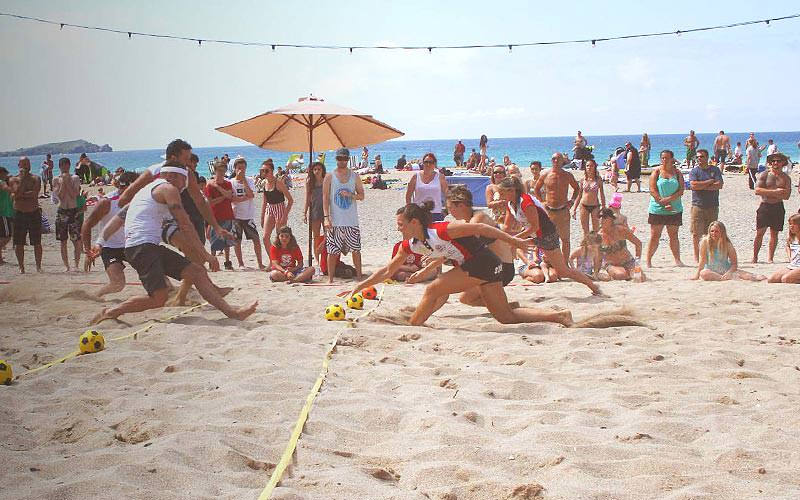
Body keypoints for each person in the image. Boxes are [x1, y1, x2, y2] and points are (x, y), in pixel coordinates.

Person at [348, 202, 572, 326]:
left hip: (483, 262)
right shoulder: (412, 244)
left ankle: (414, 324)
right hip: (486, 267)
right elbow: (388, 270)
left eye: (400, 224)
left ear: (414, 222)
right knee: (506, 318)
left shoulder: (441, 230)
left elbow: (481, 228)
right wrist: (360, 286)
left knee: (433, 288)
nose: (398, 229)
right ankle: (559, 315)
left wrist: (514, 241)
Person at [91, 166, 258, 324]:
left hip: (149, 246)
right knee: (158, 298)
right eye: (183, 181)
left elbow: (117, 220)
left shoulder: (150, 193)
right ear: (172, 177)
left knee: (197, 272)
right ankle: (111, 312)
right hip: (141, 248)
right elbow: (185, 225)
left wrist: (99, 242)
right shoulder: (162, 190)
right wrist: (206, 255)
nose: (184, 186)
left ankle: (233, 313)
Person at [502, 176, 601, 295]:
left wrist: (514, 239)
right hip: (535, 235)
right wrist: (504, 237)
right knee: (507, 244)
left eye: (502, 192)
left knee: (563, 271)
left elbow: (535, 227)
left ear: (512, 191)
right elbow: (507, 227)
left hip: (546, 235)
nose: (500, 195)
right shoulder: (510, 203)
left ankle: (593, 286)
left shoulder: (525, 201)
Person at [443, 185, 518, 306]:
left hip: (502, 268)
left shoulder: (479, 218)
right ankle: (507, 306)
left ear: (461, 206)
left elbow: (467, 241)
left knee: (461, 295)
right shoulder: (467, 221)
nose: (449, 212)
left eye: (450, 208)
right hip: (491, 267)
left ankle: (506, 307)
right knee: (465, 297)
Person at [81, 171, 139, 296]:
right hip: (110, 248)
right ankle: (95, 296)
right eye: (137, 186)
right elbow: (87, 224)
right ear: (125, 187)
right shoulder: (107, 202)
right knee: (117, 284)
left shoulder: (140, 200)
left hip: (132, 245)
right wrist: (88, 251)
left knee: (154, 272)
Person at [323, 147, 365, 283]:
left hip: (351, 220)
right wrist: (326, 218)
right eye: (339, 158)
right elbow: (325, 198)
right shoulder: (329, 176)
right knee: (332, 251)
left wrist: (350, 195)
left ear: (348, 159)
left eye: (345, 159)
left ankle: (359, 277)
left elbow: (362, 195)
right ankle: (330, 280)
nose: (342, 161)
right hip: (335, 221)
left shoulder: (354, 176)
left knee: (356, 250)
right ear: (336, 159)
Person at [534, 152, 579, 259]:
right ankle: (549, 262)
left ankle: (565, 263)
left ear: (562, 161)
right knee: (546, 238)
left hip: (563, 211)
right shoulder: (545, 174)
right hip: (549, 211)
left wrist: (572, 201)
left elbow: (577, 188)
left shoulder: (567, 175)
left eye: (558, 159)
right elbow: (536, 189)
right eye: (553, 159)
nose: (556, 161)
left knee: (565, 240)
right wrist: (542, 202)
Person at [646, 150, 685, 267]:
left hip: (674, 208)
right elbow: (652, 190)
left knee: (673, 235)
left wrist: (669, 200)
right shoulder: (656, 172)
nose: (664, 160)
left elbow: (681, 190)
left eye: (667, 158)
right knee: (655, 236)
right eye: (662, 158)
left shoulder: (677, 173)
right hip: (657, 209)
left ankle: (677, 260)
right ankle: (648, 260)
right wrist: (663, 202)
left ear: (672, 159)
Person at [692, 221, 765, 282]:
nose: (714, 233)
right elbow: (703, 260)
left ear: (722, 232)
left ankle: (725, 277)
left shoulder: (727, 244)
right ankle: (723, 278)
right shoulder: (705, 242)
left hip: (725, 269)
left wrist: (729, 272)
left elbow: (734, 264)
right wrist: (697, 275)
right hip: (710, 270)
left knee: (751, 276)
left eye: (716, 231)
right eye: (712, 231)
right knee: (703, 273)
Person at [753, 152, 792, 263]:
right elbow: (757, 190)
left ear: (783, 163)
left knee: (774, 233)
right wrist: (776, 192)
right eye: (773, 161)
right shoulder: (764, 175)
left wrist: (768, 192)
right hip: (765, 206)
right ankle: (755, 257)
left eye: (778, 161)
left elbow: (787, 196)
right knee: (760, 233)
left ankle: (770, 258)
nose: (775, 163)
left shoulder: (786, 178)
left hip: (778, 206)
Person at [688, 149, 723, 263]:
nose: (699, 159)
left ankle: (711, 255)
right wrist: (709, 182)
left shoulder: (715, 170)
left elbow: (719, 185)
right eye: (697, 157)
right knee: (696, 233)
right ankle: (697, 257)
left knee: (712, 233)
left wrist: (701, 186)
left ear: (707, 157)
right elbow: (693, 185)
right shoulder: (694, 171)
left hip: (712, 206)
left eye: (702, 156)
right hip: (698, 205)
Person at [9, 157, 42, 273]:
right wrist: (22, 181)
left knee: (37, 242)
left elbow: (34, 194)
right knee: (19, 242)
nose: (26, 167)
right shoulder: (13, 180)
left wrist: (21, 194)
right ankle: (21, 267)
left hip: (34, 212)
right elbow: (14, 196)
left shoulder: (36, 178)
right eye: (24, 164)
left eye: (28, 164)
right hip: (19, 213)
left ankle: (38, 266)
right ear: (19, 165)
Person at [230, 158, 265, 270]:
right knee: (237, 240)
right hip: (236, 215)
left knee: (256, 239)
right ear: (235, 169)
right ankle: (241, 263)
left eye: (243, 168)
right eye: (239, 168)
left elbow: (251, 194)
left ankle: (260, 263)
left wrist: (244, 180)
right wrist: (244, 198)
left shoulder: (249, 180)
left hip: (248, 215)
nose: (241, 170)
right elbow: (232, 198)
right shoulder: (231, 182)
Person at [52, 157, 83, 272]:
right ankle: (66, 266)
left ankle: (76, 264)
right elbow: (59, 196)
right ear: (59, 167)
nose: (64, 167)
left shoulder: (75, 178)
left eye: (66, 165)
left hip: (73, 210)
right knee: (63, 240)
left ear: (69, 166)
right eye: (62, 165)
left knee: (76, 239)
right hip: (62, 211)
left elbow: (74, 194)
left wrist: (67, 181)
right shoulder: (56, 179)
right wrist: (63, 182)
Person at [205, 161, 236, 269]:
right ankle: (212, 262)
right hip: (215, 216)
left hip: (227, 214)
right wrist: (223, 197)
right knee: (214, 240)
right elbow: (210, 202)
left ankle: (227, 262)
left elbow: (230, 196)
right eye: (219, 170)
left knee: (227, 241)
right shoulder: (209, 185)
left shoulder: (227, 184)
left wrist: (218, 187)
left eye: (223, 170)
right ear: (215, 171)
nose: (221, 173)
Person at [598, 208, 644, 281]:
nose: (601, 220)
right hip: (612, 264)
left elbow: (638, 244)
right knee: (621, 275)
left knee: (640, 277)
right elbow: (595, 255)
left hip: (628, 261)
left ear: (611, 219)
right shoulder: (599, 236)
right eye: (600, 217)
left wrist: (637, 263)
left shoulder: (621, 230)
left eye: (604, 217)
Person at [259, 159, 293, 248]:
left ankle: (283, 255)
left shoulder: (278, 183)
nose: (264, 173)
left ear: (272, 171)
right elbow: (264, 202)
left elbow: (290, 200)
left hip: (280, 208)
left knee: (280, 238)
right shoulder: (264, 183)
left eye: (266, 171)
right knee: (265, 237)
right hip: (269, 208)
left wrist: (284, 216)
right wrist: (262, 217)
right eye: (262, 170)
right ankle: (272, 256)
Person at [405, 152, 448, 222]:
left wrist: (446, 211)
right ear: (423, 163)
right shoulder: (416, 176)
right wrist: (410, 211)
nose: (428, 164)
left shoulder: (440, 177)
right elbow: (408, 196)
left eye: (431, 162)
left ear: (434, 164)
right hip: (419, 213)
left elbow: (447, 195)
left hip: (436, 213)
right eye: (426, 162)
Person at [573, 158, 606, 239]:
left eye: (591, 166)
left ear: (594, 167)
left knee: (596, 229)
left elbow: (602, 194)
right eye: (587, 166)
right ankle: (587, 245)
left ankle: (595, 245)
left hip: (595, 206)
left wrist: (604, 207)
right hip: (583, 206)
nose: (589, 167)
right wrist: (574, 209)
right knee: (585, 230)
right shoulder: (582, 180)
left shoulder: (598, 180)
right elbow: (579, 195)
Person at [304, 161, 326, 265]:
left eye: (319, 169)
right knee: (316, 236)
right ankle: (317, 260)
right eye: (315, 169)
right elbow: (307, 198)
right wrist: (304, 212)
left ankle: (325, 257)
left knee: (328, 235)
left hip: (325, 210)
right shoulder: (309, 182)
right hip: (314, 210)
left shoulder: (326, 180)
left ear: (322, 170)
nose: (317, 171)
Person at [768, 213, 800, 283]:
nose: (791, 226)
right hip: (793, 265)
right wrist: (790, 257)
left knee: (786, 279)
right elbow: (788, 246)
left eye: (794, 224)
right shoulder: (792, 238)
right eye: (790, 224)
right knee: (772, 279)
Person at [0, 167, 14, 264]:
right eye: (5, 174)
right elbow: (8, 189)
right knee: (7, 236)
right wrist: (15, 186)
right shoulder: (1, 182)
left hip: (5, 212)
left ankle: (0, 259)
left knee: (2, 236)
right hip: (3, 213)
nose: (6, 176)